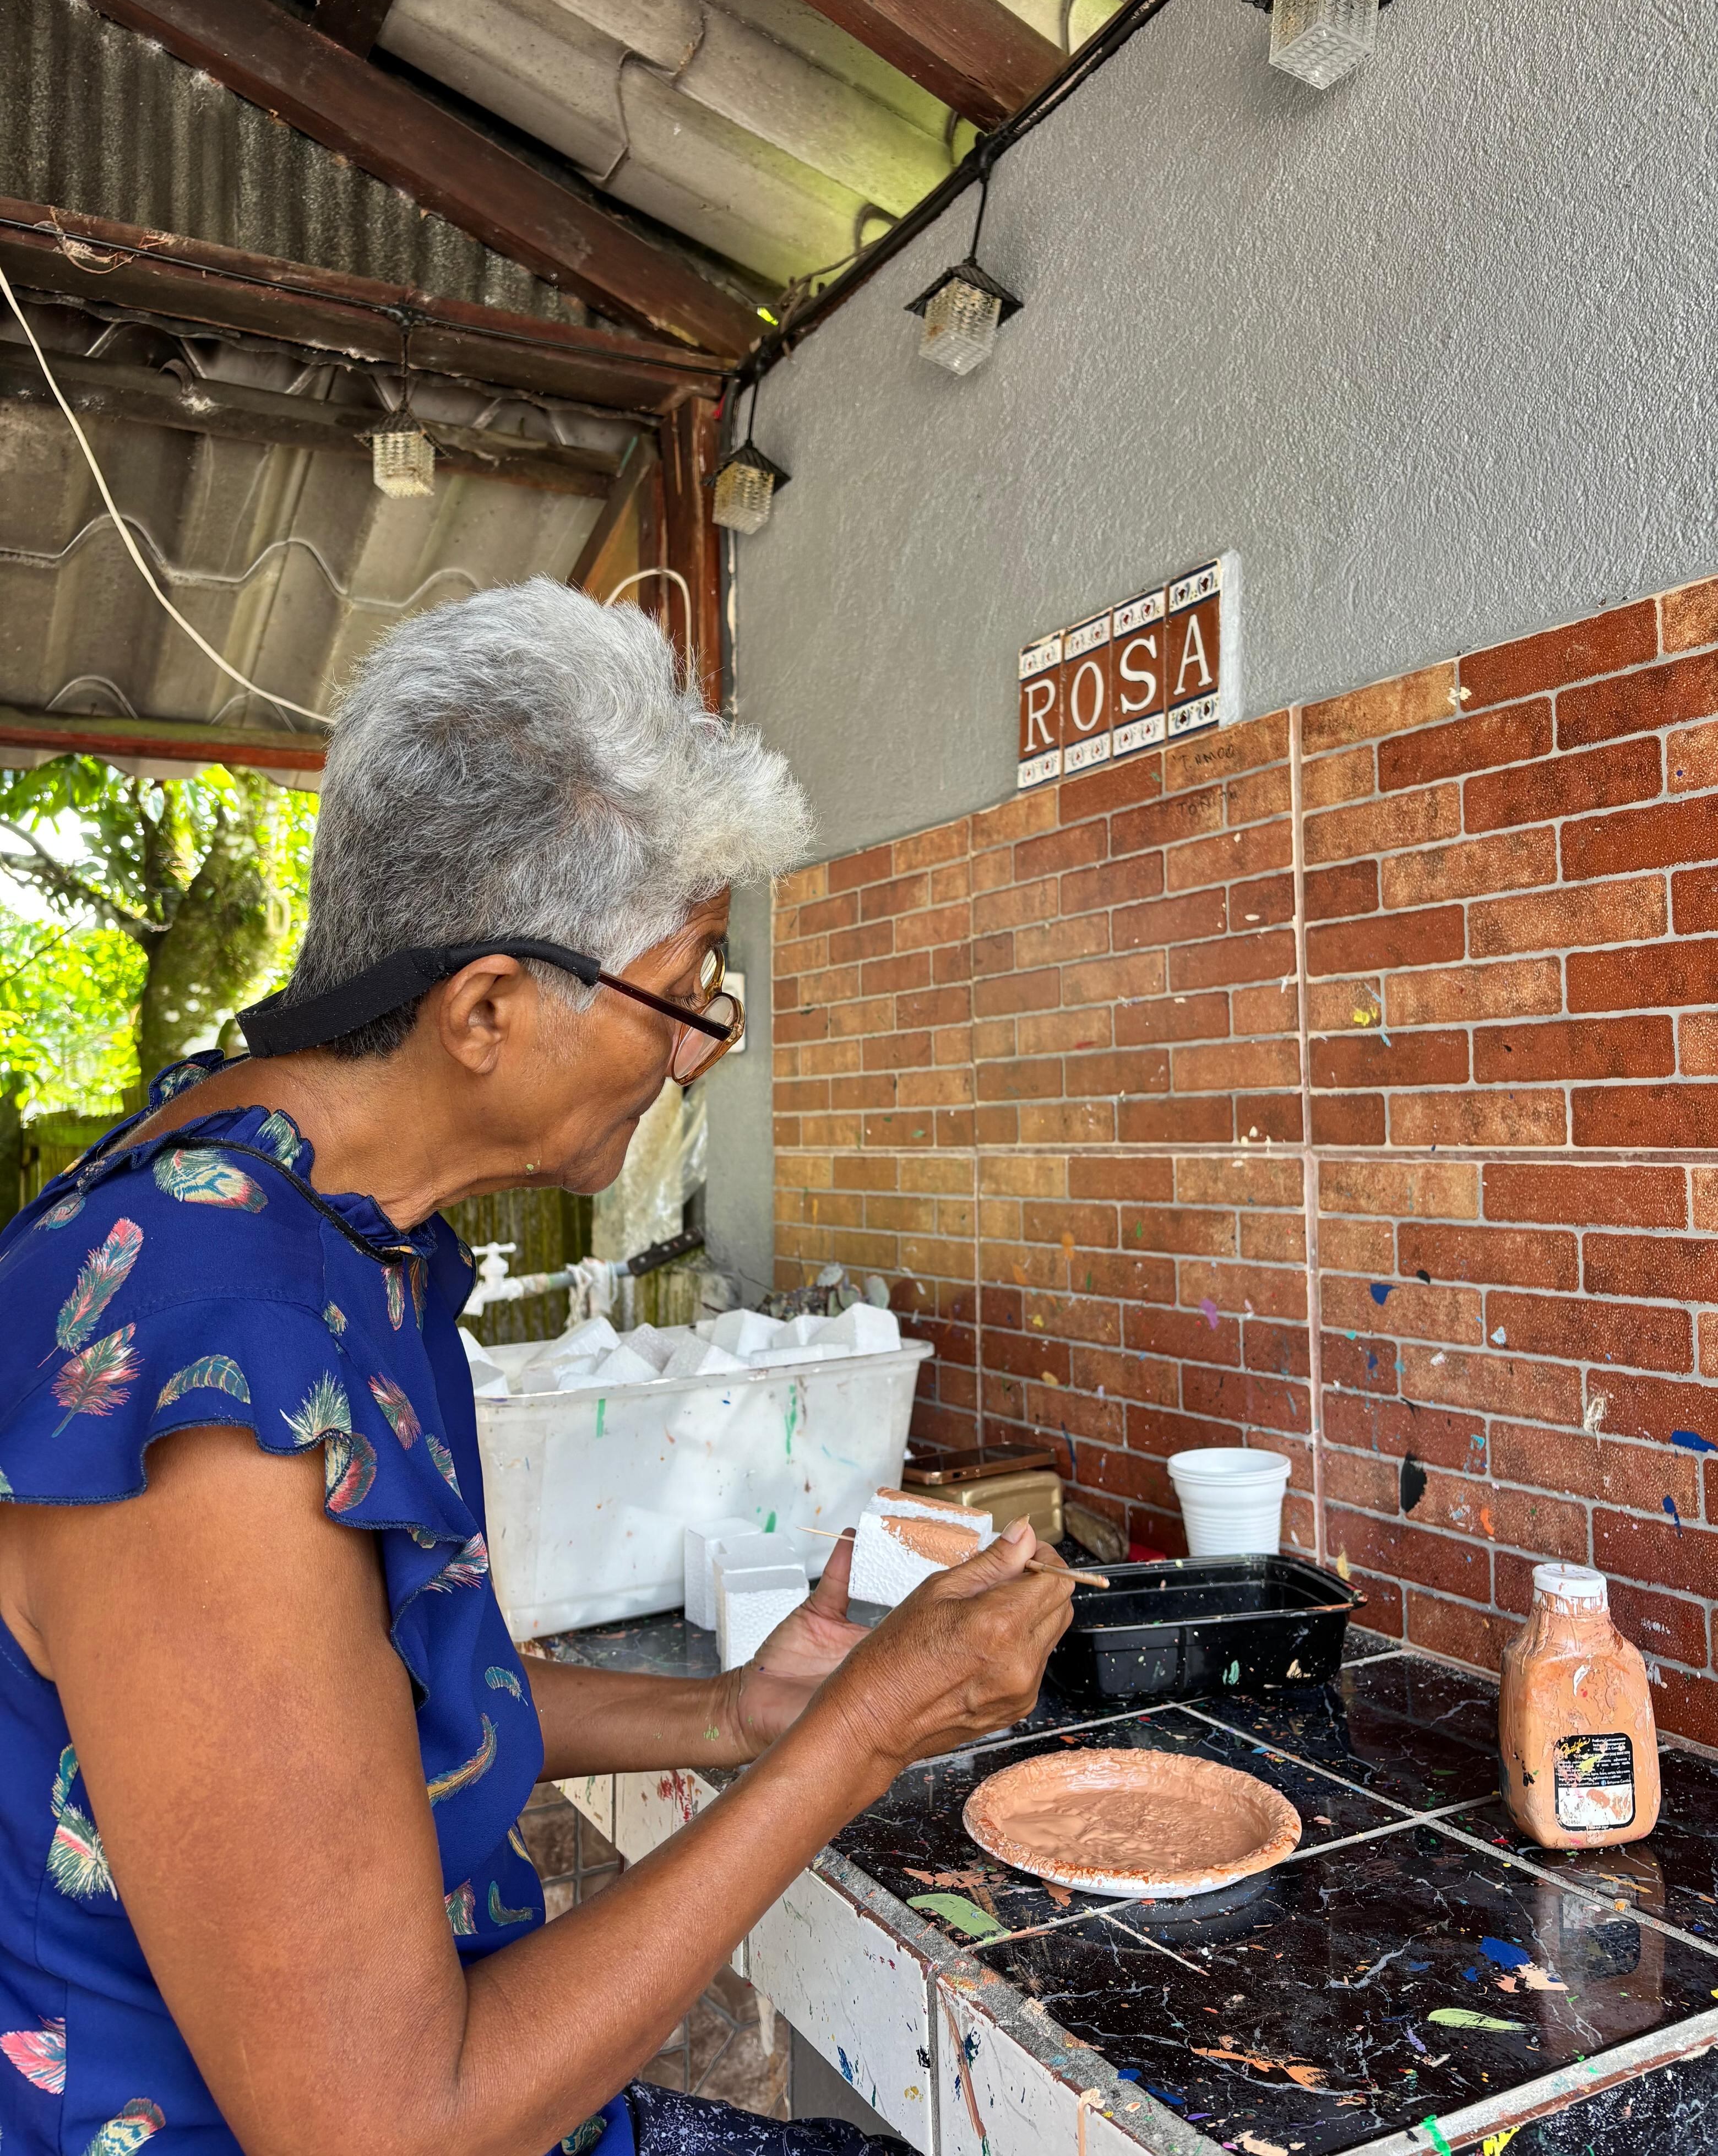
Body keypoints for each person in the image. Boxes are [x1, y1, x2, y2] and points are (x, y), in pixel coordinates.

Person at [0, 583, 1074, 2156]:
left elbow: (344, 1716)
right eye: (685, 984)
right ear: (488, 1008)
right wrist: (864, 1736)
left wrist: (730, 1717)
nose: (701, 1044)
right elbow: (383, 2126)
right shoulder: (221, 1371)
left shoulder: (303, 1202)